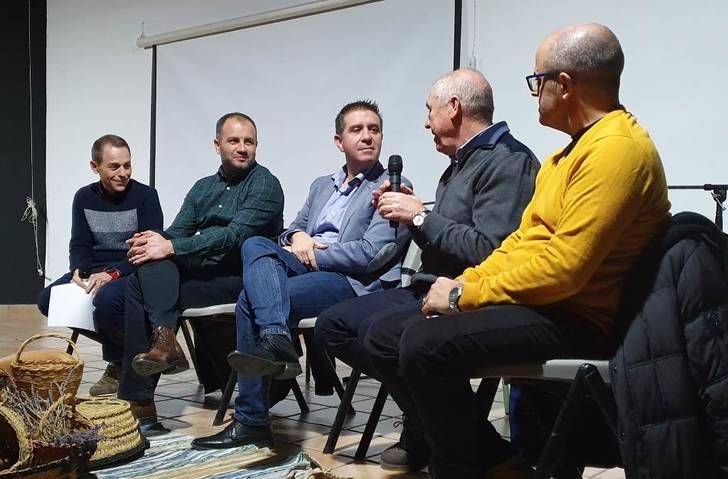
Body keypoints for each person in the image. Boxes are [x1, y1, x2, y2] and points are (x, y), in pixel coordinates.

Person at [361, 23, 671, 479]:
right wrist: (466, 283)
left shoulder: (617, 151)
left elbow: (565, 269)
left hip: (580, 318)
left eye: (537, 81)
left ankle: (466, 469)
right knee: (387, 335)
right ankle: (497, 462)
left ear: (563, 85)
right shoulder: (563, 158)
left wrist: (462, 297)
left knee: (424, 344)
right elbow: (519, 245)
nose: (534, 92)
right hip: (544, 306)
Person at [315, 68, 539, 471]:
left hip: (468, 291)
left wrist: (419, 217)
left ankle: (454, 441)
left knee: (381, 335)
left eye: (429, 110)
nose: (425, 122)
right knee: (333, 326)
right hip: (429, 283)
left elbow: (489, 252)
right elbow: (443, 241)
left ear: (453, 108)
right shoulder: (459, 164)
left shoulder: (507, 163)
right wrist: (409, 217)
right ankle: (429, 420)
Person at [191, 100, 410, 449]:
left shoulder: (391, 187)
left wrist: (317, 253)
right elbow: (289, 231)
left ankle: (251, 419)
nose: (368, 136)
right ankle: (278, 338)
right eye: (357, 130)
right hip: (306, 262)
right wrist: (297, 238)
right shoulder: (322, 185)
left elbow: (373, 254)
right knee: (256, 244)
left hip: (349, 280)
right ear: (339, 141)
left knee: (250, 300)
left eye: (374, 129)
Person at [117, 112, 285, 434]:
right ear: (217, 144)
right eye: (234, 141)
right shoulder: (203, 188)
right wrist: (155, 242)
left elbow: (234, 237)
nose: (242, 148)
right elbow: (177, 233)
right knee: (146, 271)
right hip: (203, 272)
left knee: (146, 283)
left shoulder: (265, 184)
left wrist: (170, 247)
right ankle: (164, 341)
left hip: (241, 277)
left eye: (249, 142)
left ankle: (140, 407)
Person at [37, 134, 163, 396]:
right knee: (49, 299)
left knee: (105, 301)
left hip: (130, 268)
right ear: (95, 167)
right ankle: (121, 356)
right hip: (96, 268)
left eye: (127, 165)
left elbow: (147, 250)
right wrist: (79, 270)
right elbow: (79, 243)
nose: (123, 173)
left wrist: (113, 273)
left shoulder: (146, 196)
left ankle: (121, 365)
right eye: (114, 167)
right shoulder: (84, 197)